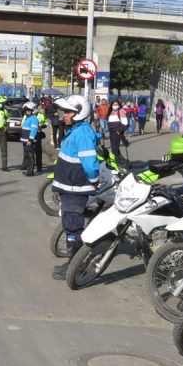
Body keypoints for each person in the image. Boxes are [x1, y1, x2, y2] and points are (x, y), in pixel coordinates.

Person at [50, 95, 100, 278]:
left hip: (75, 188)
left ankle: (74, 267)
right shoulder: (76, 130)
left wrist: (93, 179)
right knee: (70, 224)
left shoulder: (82, 132)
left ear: (79, 114)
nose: (63, 114)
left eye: (68, 112)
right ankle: (72, 263)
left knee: (73, 226)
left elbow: (89, 162)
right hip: (69, 186)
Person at [19, 102, 39, 176]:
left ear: (32, 111)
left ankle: (30, 171)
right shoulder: (28, 118)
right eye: (26, 110)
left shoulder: (33, 119)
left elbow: (34, 130)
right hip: (25, 140)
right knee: (27, 155)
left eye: (29, 110)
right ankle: (28, 170)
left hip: (30, 141)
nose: (27, 111)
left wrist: (30, 139)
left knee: (30, 156)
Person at [34, 101, 48, 173]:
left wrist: (44, 125)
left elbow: (46, 122)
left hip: (38, 133)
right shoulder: (35, 113)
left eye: (44, 108)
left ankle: (39, 167)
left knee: (38, 151)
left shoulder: (43, 115)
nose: (43, 109)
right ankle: (30, 165)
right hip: (33, 133)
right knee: (30, 151)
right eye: (42, 107)